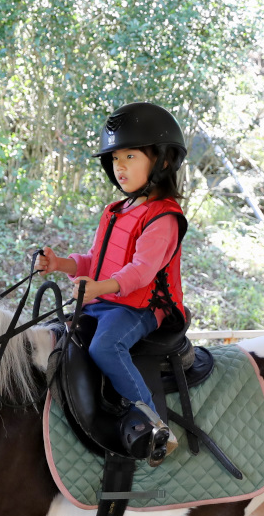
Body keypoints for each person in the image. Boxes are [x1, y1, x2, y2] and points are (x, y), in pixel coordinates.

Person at [36, 102, 189, 467]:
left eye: (131, 156)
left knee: (105, 347)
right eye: (115, 158)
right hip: (107, 300)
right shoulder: (115, 211)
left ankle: (153, 425)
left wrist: (100, 289)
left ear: (162, 161)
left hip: (142, 307)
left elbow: (140, 272)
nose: (120, 166)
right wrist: (62, 265)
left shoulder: (164, 218)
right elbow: (96, 261)